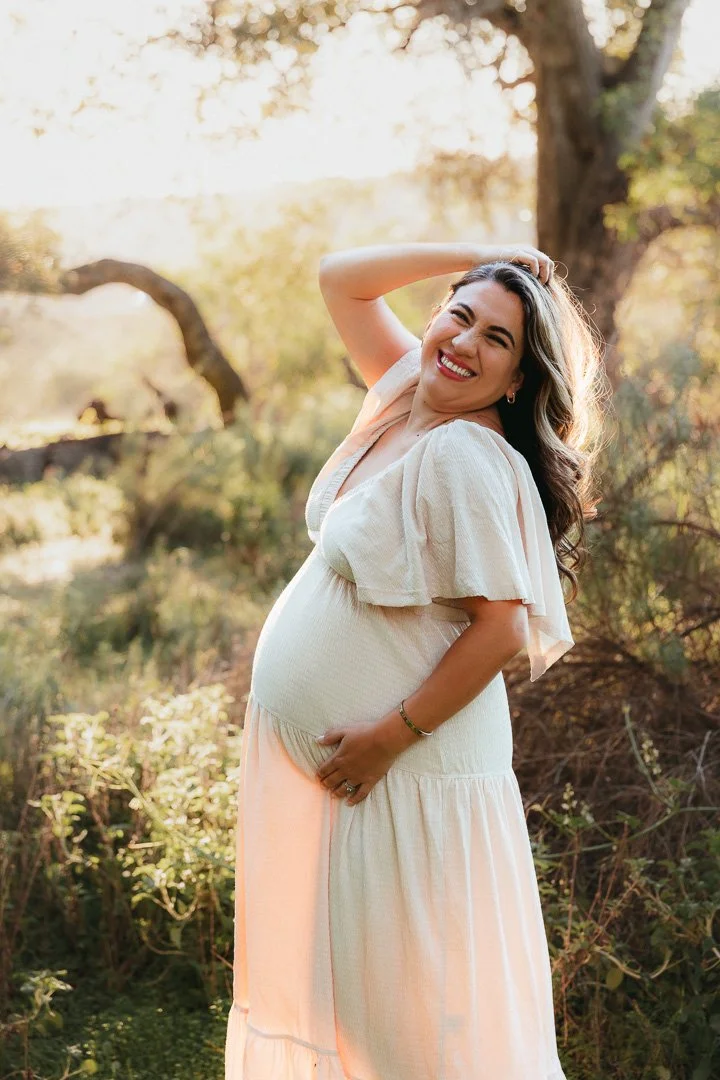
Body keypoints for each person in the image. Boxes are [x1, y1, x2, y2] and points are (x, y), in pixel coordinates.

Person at [225, 242, 605, 1080]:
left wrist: (388, 738)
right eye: (458, 315)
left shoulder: (468, 453)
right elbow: (339, 279)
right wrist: (490, 258)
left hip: (402, 780)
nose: (465, 343)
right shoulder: (410, 398)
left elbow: (500, 631)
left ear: (516, 382)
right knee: (361, 1018)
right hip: (360, 784)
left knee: (408, 1033)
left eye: (497, 340)